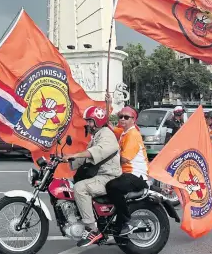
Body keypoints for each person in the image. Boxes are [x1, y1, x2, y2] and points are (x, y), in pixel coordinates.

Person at [64, 106, 121, 247]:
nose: (88, 124)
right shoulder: (98, 135)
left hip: (108, 177)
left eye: (90, 121)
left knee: (79, 188)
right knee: (72, 184)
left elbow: (96, 151)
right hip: (101, 175)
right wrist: (64, 158)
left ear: (98, 121)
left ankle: (92, 229)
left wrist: (75, 155)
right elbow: (87, 156)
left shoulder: (106, 134)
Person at [106, 106, 149, 236]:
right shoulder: (124, 132)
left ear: (133, 120)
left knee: (112, 186)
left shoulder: (132, 134)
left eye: (126, 117)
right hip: (126, 173)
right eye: (120, 116)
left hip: (136, 175)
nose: (122, 119)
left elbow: (124, 159)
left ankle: (125, 220)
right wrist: (108, 103)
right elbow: (108, 125)